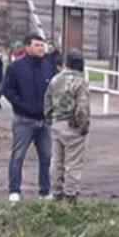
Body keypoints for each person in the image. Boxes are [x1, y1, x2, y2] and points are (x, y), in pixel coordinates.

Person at [2, 32, 58, 203]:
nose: (40, 48)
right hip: (23, 120)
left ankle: (44, 191)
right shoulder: (16, 68)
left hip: (44, 121)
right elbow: (8, 90)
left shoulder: (49, 67)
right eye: (37, 45)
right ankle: (14, 190)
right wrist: (22, 105)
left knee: (46, 157)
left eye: (42, 45)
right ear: (27, 47)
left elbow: (55, 90)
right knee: (18, 156)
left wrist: (50, 108)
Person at [44, 49, 90, 204]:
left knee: (56, 161)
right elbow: (82, 108)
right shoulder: (80, 82)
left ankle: (56, 192)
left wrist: (50, 119)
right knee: (73, 162)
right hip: (73, 125)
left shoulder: (55, 79)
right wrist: (83, 126)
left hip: (57, 123)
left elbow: (47, 101)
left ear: (66, 63)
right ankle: (70, 195)